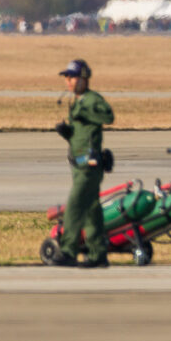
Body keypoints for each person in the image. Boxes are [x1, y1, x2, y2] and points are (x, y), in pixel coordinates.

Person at [51, 59, 114, 268]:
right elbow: (81, 134)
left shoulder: (91, 100)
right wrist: (68, 133)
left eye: (72, 76)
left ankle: (68, 251)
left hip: (89, 166)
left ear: (84, 78)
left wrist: (85, 112)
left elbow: (108, 116)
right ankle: (98, 254)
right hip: (78, 165)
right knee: (91, 211)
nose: (68, 81)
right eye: (66, 77)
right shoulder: (77, 101)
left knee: (75, 207)